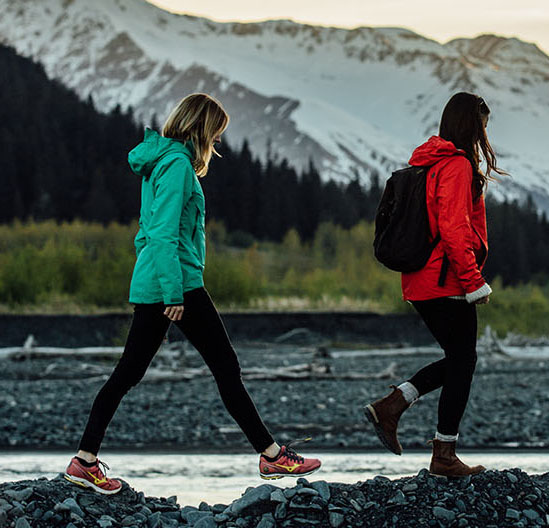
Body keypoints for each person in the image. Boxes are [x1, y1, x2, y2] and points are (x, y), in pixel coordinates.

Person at [64, 93, 321, 494]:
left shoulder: (159, 162)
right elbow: (164, 232)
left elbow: (147, 232)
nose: (216, 144)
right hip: (177, 286)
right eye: (215, 136)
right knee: (225, 367)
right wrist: (173, 293)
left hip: (162, 281)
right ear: (201, 130)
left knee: (129, 373)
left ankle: (84, 461)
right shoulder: (179, 165)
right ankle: (272, 457)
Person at [364, 92, 504, 477]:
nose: (485, 132)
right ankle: (443, 453)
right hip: (447, 279)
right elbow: (454, 228)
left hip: (421, 280)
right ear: (470, 124)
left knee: (460, 359)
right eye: (483, 124)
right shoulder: (456, 165)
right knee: (464, 361)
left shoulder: (431, 162)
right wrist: (474, 282)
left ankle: (394, 405)